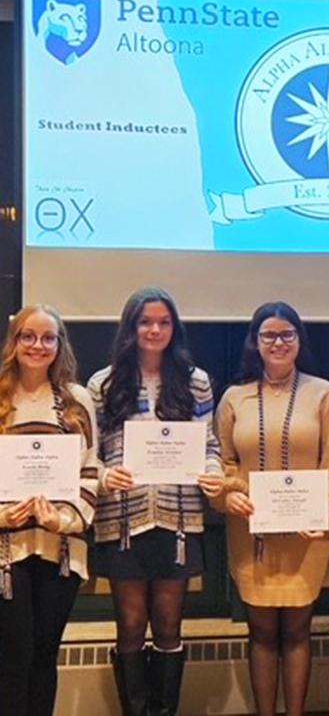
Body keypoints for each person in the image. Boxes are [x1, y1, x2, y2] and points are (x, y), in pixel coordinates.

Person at [212, 302, 329, 716]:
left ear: (299, 340)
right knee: (260, 631)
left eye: (287, 334)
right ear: (254, 343)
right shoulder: (233, 397)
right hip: (249, 529)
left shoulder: (322, 392)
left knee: (296, 630)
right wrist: (229, 494)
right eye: (268, 335)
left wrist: (325, 512)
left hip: (307, 534)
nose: (278, 342)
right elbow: (220, 462)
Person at [88, 287, 223, 716]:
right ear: (130, 328)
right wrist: (107, 477)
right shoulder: (103, 383)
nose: (154, 330)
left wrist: (213, 471)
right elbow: (91, 455)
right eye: (145, 322)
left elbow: (210, 445)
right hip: (122, 520)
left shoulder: (195, 381)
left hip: (177, 520)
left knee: (168, 623)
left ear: (174, 329)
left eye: (164, 322)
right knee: (129, 624)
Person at [0, 305, 99, 716]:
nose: (38, 346)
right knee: (12, 658)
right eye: (29, 336)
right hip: (6, 551)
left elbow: (91, 469)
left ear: (60, 345)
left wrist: (65, 519)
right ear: (15, 342)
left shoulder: (78, 401)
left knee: (45, 655)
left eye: (47, 338)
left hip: (60, 549)